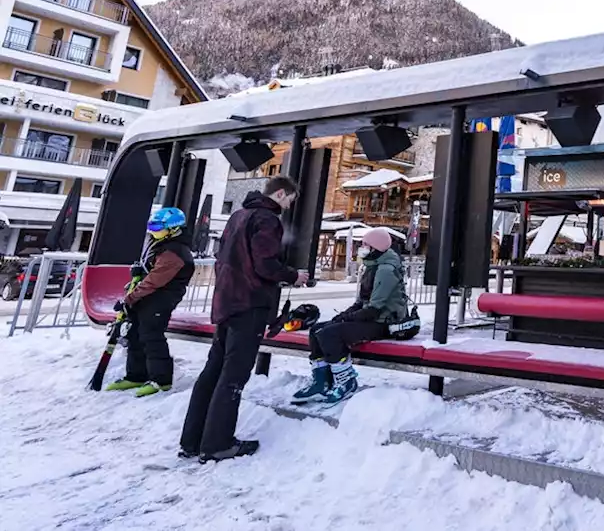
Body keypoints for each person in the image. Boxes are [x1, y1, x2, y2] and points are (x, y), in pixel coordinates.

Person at [179, 176, 308, 462]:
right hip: (249, 304)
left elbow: (223, 258)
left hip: (227, 302)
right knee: (234, 377)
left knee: (212, 371)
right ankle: (217, 444)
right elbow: (265, 264)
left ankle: (192, 440)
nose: (288, 206)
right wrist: (293, 276)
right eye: (289, 199)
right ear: (281, 194)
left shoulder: (238, 215)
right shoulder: (267, 220)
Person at [291, 227, 409, 405]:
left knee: (331, 333)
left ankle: (346, 381)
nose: (361, 247)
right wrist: (345, 315)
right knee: (317, 329)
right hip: (372, 317)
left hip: (384, 322)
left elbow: (375, 308)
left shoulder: (386, 270)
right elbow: (362, 302)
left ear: (375, 247)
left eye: (365, 245)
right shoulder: (372, 266)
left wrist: (348, 318)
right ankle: (321, 382)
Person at [105, 207, 195, 397]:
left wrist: (129, 298)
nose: (152, 230)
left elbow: (155, 280)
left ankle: (161, 379)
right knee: (135, 334)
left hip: (160, 299)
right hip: (146, 298)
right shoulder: (160, 243)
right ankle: (136, 375)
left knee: (151, 336)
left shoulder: (175, 252)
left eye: (157, 227)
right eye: (151, 226)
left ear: (173, 228)